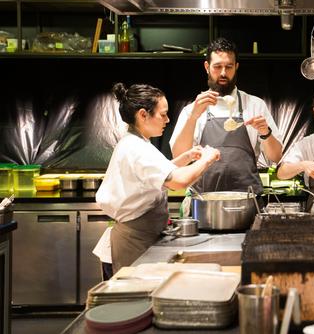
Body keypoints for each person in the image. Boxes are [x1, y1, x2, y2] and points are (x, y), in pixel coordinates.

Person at [96, 83, 221, 274]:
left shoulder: (137, 142)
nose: (167, 119)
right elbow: (178, 181)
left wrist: (185, 157)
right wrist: (207, 159)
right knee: (135, 301)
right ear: (143, 114)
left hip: (139, 238)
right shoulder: (136, 148)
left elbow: (155, 174)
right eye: (163, 114)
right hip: (133, 242)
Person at [170, 38, 282, 194]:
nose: (223, 73)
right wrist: (193, 118)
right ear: (207, 67)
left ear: (236, 67)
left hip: (248, 199)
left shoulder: (255, 105)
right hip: (205, 200)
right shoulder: (192, 110)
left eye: (229, 67)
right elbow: (178, 157)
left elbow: (276, 156)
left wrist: (266, 133)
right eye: (217, 67)